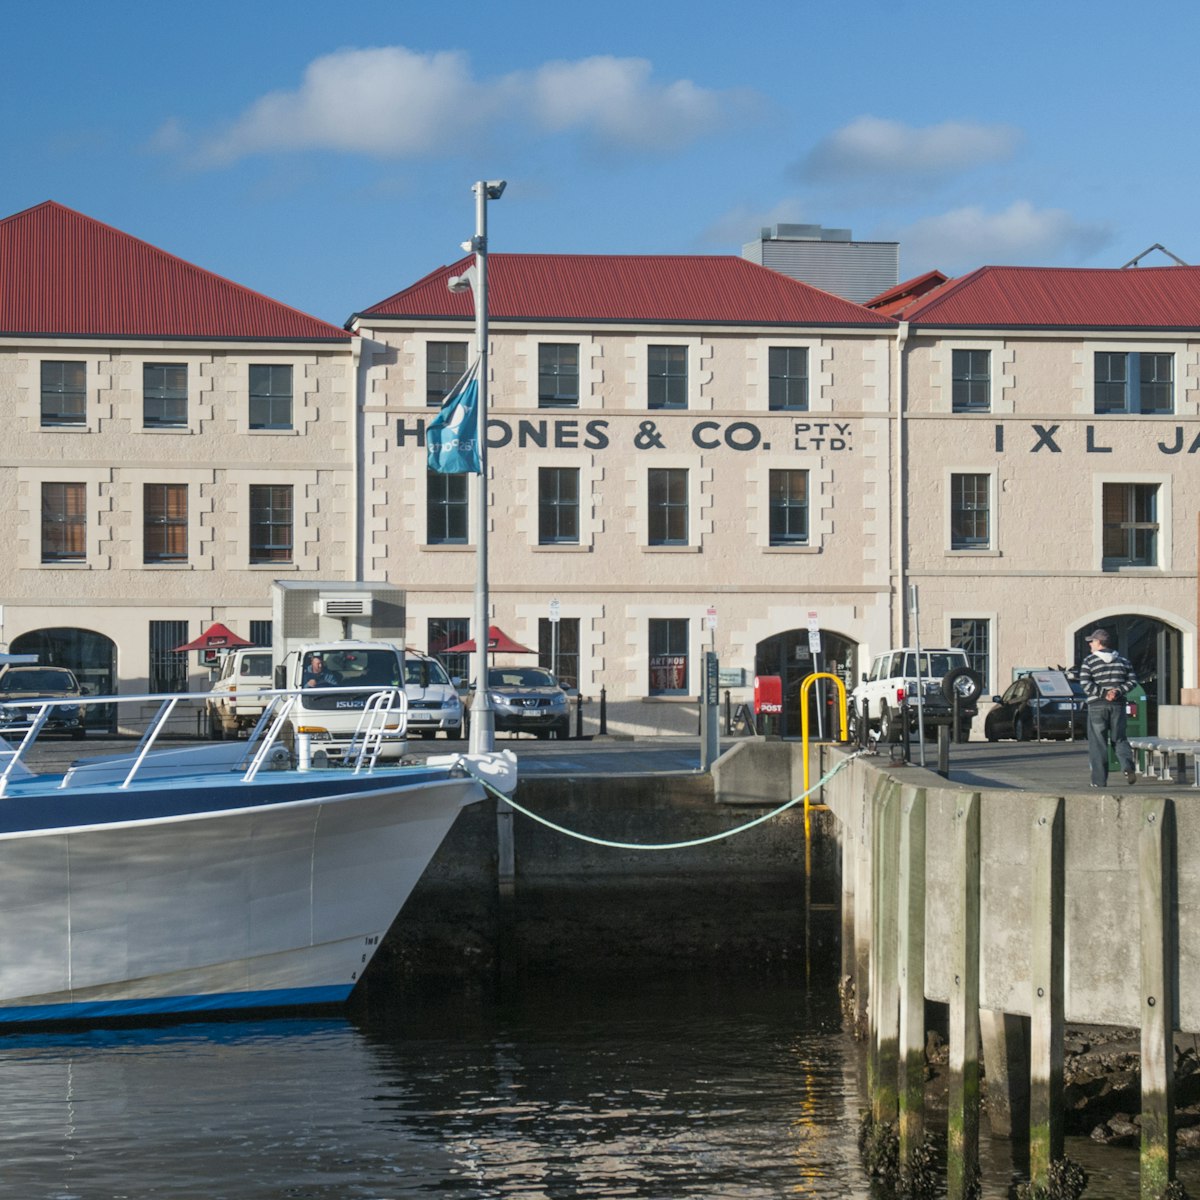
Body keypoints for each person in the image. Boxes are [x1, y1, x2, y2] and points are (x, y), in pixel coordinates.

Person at [1078, 628, 1138, 788]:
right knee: (1119, 739)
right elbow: (1132, 681)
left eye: (1092, 641)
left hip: (1097, 705)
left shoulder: (1089, 661)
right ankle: (1127, 767)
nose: (1090, 644)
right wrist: (1117, 691)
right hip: (1118, 705)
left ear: (1098, 643)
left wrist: (1104, 693)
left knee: (1098, 743)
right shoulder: (1123, 661)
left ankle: (1099, 781)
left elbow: (1085, 683)